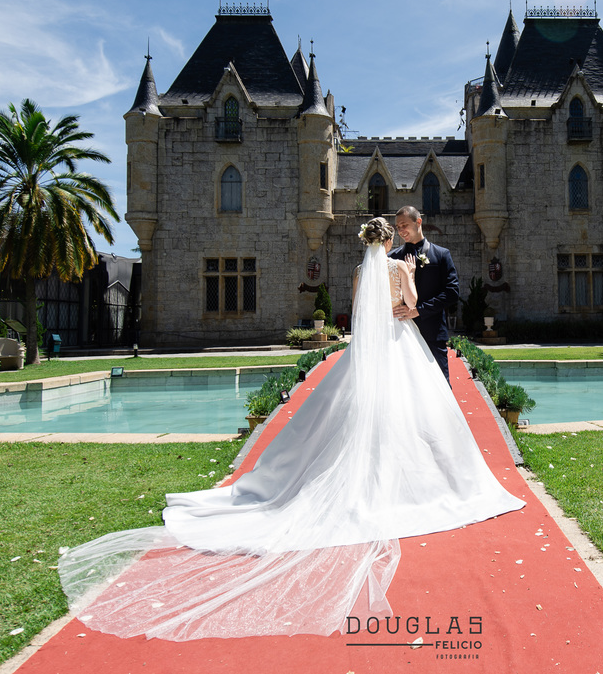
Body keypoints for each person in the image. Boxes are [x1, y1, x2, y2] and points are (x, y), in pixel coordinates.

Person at [57, 217, 523, 641]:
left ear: (367, 241)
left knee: (352, 409)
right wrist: (405, 307)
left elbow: (360, 312)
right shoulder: (400, 269)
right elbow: (413, 305)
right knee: (414, 409)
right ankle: (417, 473)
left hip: (373, 347)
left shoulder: (365, 273)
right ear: (390, 237)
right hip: (402, 343)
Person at [389, 205, 459, 381]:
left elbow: (452, 292)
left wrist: (419, 310)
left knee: (442, 385)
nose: (401, 231)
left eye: (404, 225)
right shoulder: (392, 258)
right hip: (401, 335)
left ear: (418, 222)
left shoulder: (441, 255)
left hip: (433, 332)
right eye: (398, 227)